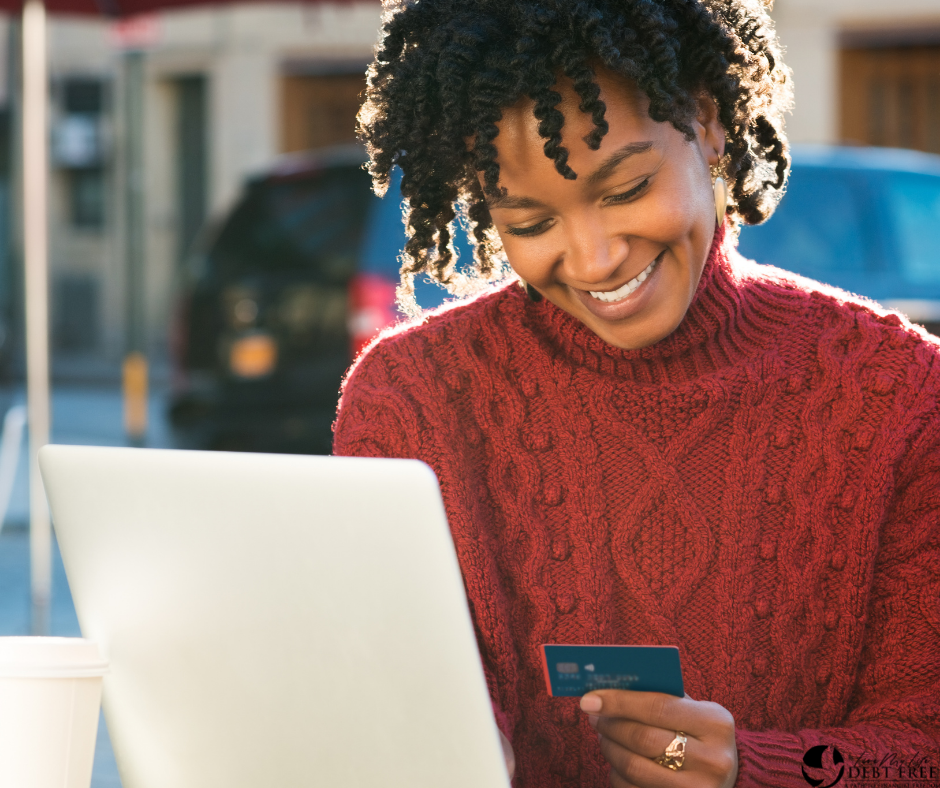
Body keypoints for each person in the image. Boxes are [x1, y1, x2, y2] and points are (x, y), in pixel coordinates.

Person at [333, 1, 940, 786]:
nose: (592, 259)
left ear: (709, 122)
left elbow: (925, 744)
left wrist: (758, 770)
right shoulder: (411, 400)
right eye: (530, 219)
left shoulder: (893, 394)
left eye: (626, 189)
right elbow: (377, 702)